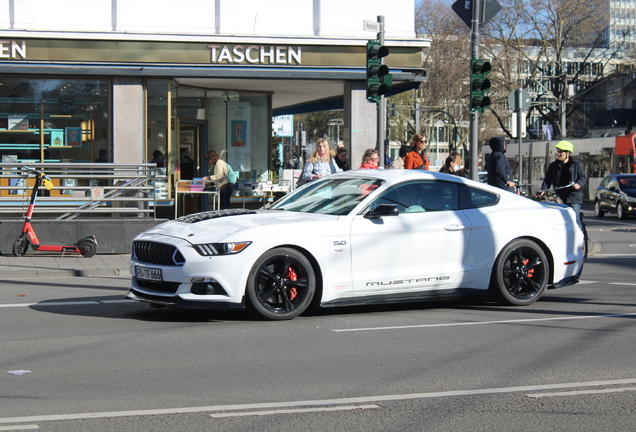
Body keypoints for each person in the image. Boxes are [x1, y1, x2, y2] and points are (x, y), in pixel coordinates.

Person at [540, 140, 587, 231]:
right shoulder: (553, 166)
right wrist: (543, 190)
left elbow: (583, 178)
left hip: (574, 197)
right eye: (558, 152)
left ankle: (580, 242)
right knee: (558, 220)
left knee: (574, 219)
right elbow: (547, 180)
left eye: (561, 152)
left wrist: (578, 185)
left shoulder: (576, 165)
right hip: (559, 197)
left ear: (568, 153)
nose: (558, 154)